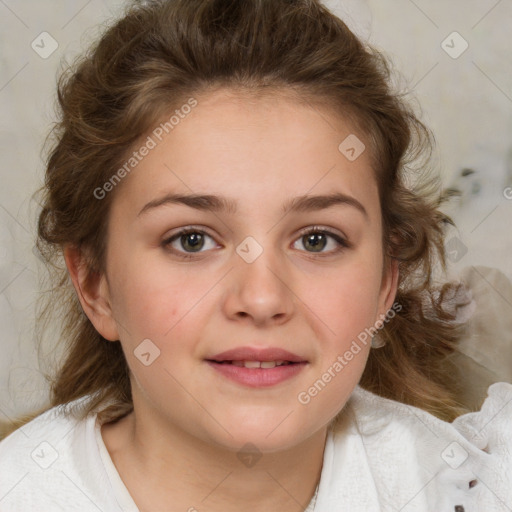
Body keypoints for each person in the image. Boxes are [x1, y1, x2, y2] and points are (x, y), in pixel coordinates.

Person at [0, 0, 511, 510]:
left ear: (385, 284)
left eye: (317, 239)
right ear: (96, 285)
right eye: (192, 240)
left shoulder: (467, 490)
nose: (263, 298)